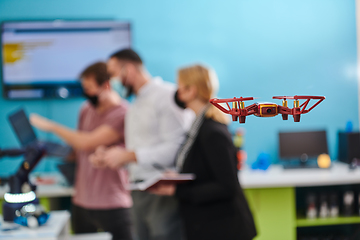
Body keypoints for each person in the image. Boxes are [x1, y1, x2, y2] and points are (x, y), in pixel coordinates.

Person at [91, 49, 194, 240]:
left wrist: (129, 156)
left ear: (128, 69)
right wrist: (112, 155)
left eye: (112, 74)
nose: (111, 82)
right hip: (137, 190)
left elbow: (178, 149)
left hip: (162, 193)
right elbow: (140, 148)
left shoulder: (167, 96)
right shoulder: (135, 104)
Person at [150, 64, 257, 240]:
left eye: (180, 86)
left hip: (223, 228)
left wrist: (177, 191)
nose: (177, 92)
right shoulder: (197, 127)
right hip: (206, 224)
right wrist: (177, 177)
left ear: (191, 90)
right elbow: (202, 170)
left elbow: (226, 186)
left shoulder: (212, 131)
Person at [29, 62, 133, 240]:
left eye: (90, 87)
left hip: (112, 202)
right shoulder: (86, 109)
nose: (86, 92)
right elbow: (79, 150)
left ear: (106, 85)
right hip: (82, 201)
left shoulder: (121, 113)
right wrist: (48, 149)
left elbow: (87, 142)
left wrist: (52, 126)